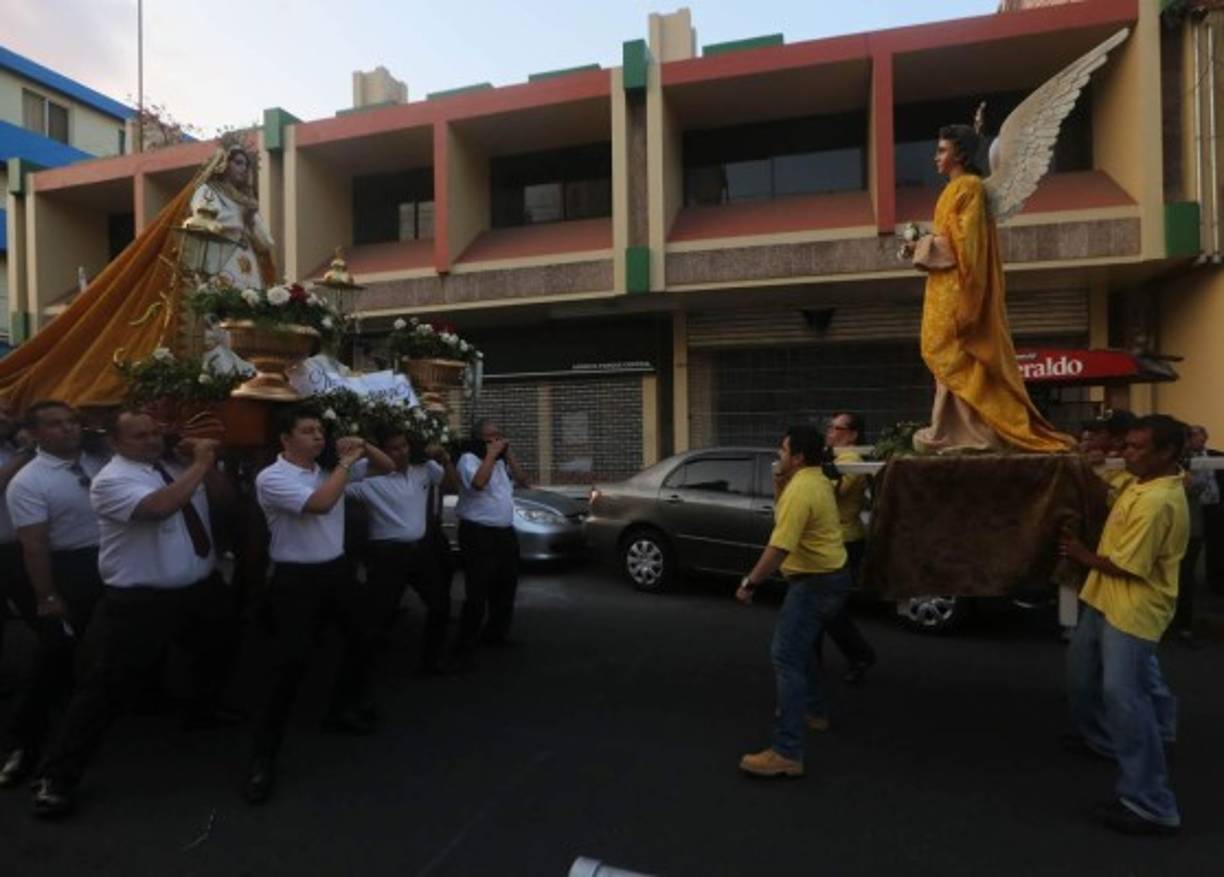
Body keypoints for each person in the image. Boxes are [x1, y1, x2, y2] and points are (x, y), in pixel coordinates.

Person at [27, 411, 236, 818]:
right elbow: (159, 507)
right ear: (114, 442)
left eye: (156, 432)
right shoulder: (112, 480)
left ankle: (202, 709)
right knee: (103, 686)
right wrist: (200, 464)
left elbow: (226, 501)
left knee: (219, 645)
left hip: (198, 587)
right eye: (140, 436)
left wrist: (204, 465)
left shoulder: (177, 465)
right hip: (140, 599)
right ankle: (57, 776)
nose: (152, 440)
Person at [243, 408, 390, 805]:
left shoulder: (327, 469)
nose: (318, 436)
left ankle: (342, 709)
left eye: (321, 430)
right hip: (296, 579)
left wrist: (363, 445)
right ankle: (262, 758)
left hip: (336, 571)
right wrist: (345, 463)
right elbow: (321, 504)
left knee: (365, 637)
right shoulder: (273, 477)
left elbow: (387, 466)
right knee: (288, 666)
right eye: (307, 431)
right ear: (285, 439)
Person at [905, 125, 1072, 453]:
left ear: (960, 154)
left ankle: (978, 431)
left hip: (958, 289)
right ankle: (951, 429)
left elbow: (966, 246)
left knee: (956, 355)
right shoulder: (954, 189)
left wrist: (922, 246)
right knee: (947, 358)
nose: (936, 157)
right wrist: (924, 245)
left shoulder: (969, 188)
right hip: (943, 286)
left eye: (942, 150)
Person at [1060, 414, 1189, 835]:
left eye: (1136, 447)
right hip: (1104, 598)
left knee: (1127, 699)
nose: (1126, 453)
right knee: (1084, 675)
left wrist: (1080, 554)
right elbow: (1108, 489)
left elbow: (1129, 567)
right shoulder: (1141, 482)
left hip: (1133, 609)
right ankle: (1108, 740)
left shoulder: (1157, 502)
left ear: (1167, 452)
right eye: (1126, 445)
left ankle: (1151, 803)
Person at [0, 401, 107, 788]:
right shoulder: (29, 480)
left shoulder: (100, 461)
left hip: (110, 561)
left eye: (72, 422)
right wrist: (47, 596)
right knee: (54, 652)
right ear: (34, 433)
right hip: (67, 568)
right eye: (55, 424)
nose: (68, 429)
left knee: (102, 646)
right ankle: (24, 744)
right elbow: (34, 546)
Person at [735, 425, 851, 778]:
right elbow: (786, 516)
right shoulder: (815, 480)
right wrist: (778, 484)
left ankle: (786, 752)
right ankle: (814, 711)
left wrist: (750, 583)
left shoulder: (801, 490)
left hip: (815, 584)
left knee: (785, 656)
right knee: (802, 649)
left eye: (783, 450)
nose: (778, 455)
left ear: (798, 457)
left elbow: (779, 546)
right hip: (829, 578)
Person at [346, 428, 458, 674]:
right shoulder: (366, 476)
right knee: (377, 615)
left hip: (419, 552)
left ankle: (430, 662)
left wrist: (445, 459)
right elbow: (337, 486)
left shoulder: (423, 469)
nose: (401, 452)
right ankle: (359, 673)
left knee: (440, 604)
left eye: (404, 446)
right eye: (394, 448)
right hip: (387, 556)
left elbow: (452, 486)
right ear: (382, 452)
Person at [454, 418, 530, 663]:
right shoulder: (468, 459)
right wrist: (490, 455)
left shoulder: (500, 462)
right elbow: (478, 483)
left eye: (498, 436)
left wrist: (509, 455)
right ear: (479, 439)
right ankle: (465, 645)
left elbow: (523, 480)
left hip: (504, 531)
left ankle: (496, 633)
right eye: (489, 438)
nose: (495, 441)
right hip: (478, 533)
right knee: (478, 589)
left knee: (506, 586)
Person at [818, 412, 877, 688]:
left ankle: (860, 655)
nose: (830, 432)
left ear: (853, 435)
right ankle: (815, 659)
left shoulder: (851, 461)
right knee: (819, 606)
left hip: (844, 540)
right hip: (831, 539)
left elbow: (827, 493)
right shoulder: (835, 457)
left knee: (827, 608)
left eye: (837, 428)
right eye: (829, 427)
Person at [188, 134, 275, 290]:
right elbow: (204, 221)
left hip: (248, 265)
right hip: (221, 260)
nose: (244, 168)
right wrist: (241, 219)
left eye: (246, 165)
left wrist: (250, 220)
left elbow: (266, 243)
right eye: (238, 163)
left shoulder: (245, 201)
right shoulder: (208, 191)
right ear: (224, 163)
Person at [0, 399, 38, 685]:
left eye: (7, 412)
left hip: (21, 548)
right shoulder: (21, 451)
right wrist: (26, 452)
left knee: (39, 613)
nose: (4, 417)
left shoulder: (12, 446)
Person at [1173, 424, 1218, 645]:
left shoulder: (1197, 461)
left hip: (1191, 526)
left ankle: (1184, 625)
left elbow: (1196, 486)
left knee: (1186, 577)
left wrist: (1180, 479)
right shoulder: (1163, 463)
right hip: (1167, 527)